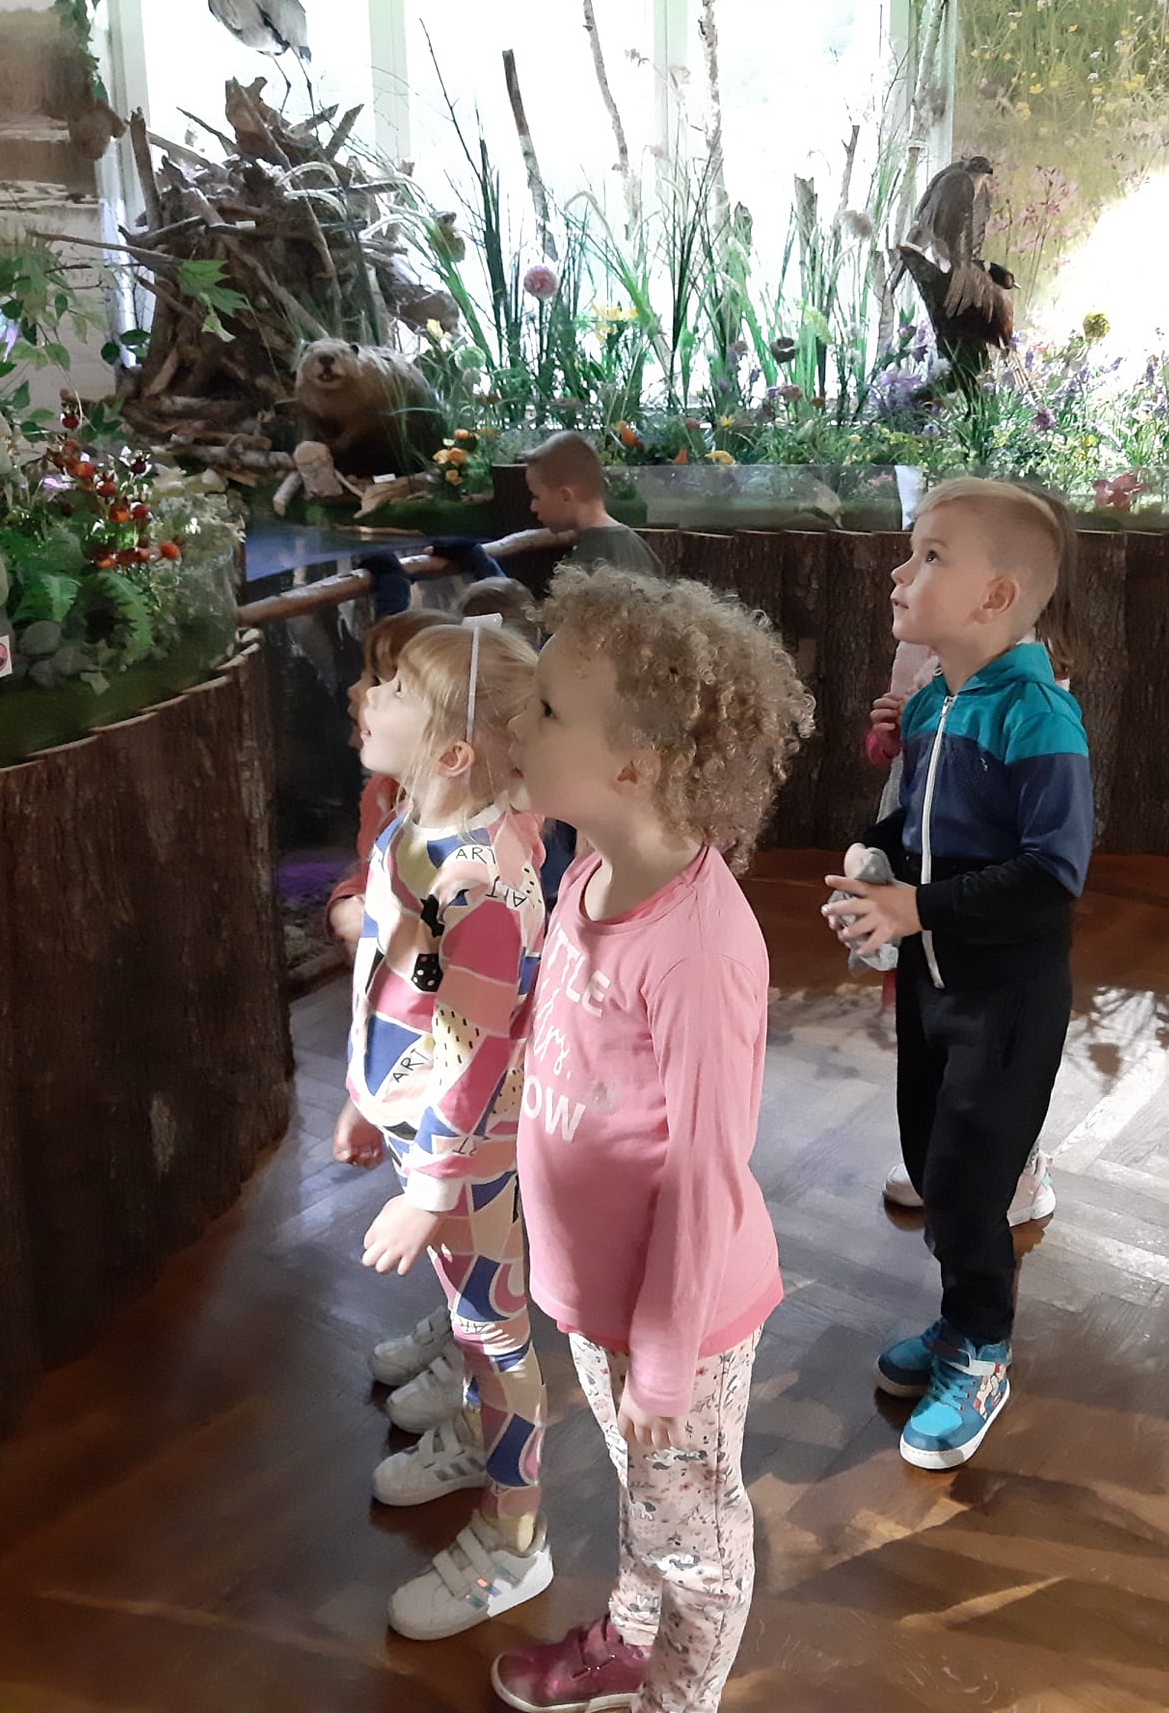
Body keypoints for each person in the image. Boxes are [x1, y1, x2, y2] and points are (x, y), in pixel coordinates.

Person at [492, 565, 812, 1713]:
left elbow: (704, 1170)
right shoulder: (590, 869)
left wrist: (668, 1359)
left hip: (679, 1316)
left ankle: (678, 1697)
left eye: (545, 709)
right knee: (648, 1492)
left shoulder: (700, 946)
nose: (516, 721)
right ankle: (630, 1639)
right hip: (601, 1294)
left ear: (631, 764)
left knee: (696, 1532)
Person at [825, 476, 1091, 1470]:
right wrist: (876, 864)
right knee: (934, 1167)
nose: (901, 573)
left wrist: (918, 908)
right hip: (932, 986)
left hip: (1006, 1001)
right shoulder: (936, 700)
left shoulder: (1038, 716)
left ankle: (981, 1350)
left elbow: (1052, 874)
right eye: (911, 550)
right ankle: (957, 1317)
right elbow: (922, 826)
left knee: (973, 1185)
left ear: (996, 596)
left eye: (931, 555)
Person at [331, 619, 551, 1641]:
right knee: (471, 1318)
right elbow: (390, 985)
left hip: (468, 1151)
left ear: (456, 750)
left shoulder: (482, 882)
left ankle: (516, 1537)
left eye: (393, 691)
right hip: (422, 1130)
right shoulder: (411, 828)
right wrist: (364, 1097)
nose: (366, 697)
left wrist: (431, 1185)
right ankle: (469, 1430)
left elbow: (475, 1046)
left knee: (495, 1332)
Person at [863, 636, 1057, 1231]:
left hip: (982, 887)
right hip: (918, 857)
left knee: (998, 1043)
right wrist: (890, 735)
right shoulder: (918, 643)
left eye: (923, 575)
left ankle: (1017, 1163)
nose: (899, 587)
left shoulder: (1022, 665)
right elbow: (896, 759)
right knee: (929, 1022)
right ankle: (942, 1150)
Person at [324, 603, 452, 954]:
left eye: (382, 683)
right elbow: (369, 870)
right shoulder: (382, 791)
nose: (357, 691)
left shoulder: (462, 818)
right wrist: (348, 901)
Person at [523, 430, 663, 575]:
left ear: (565, 496)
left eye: (536, 496)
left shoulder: (584, 567)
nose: (533, 507)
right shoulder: (642, 549)